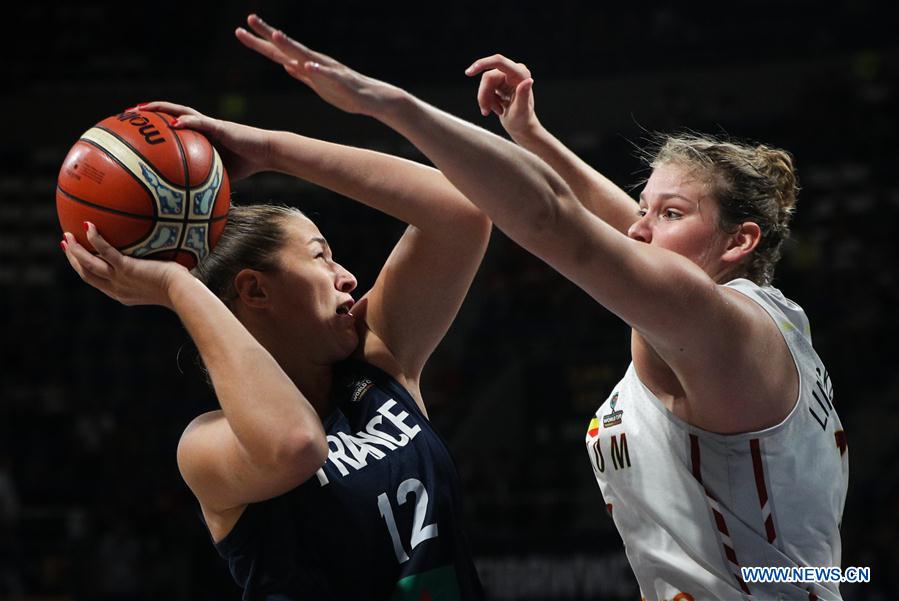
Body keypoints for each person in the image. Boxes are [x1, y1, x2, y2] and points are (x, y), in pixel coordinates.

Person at [234, 16, 849, 600]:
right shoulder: (762, 314)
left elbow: (555, 219)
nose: (638, 229)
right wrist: (531, 136)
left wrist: (384, 104)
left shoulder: (717, 325)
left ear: (739, 241)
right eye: (644, 208)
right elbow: (618, 224)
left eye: (670, 213)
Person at [60, 90, 490, 598]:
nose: (348, 277)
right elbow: (296, 446)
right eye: (320, 257)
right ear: (255, 289)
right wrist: (178, 287)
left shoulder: (378, 361)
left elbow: (463, 210)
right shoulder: (206, 445)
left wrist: (271, 151)